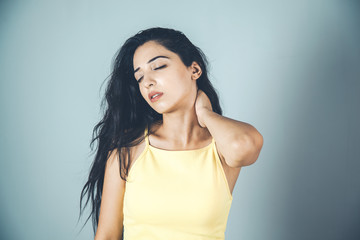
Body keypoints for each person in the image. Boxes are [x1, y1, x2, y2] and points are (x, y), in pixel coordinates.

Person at [79, 27, 263, 240]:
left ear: (194, 70)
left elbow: (245, 146)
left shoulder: (221, 148)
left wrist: (205, 114)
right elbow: (107, 236)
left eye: (158, 66)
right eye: (139, 78)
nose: (147, 82)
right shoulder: (128, 147)